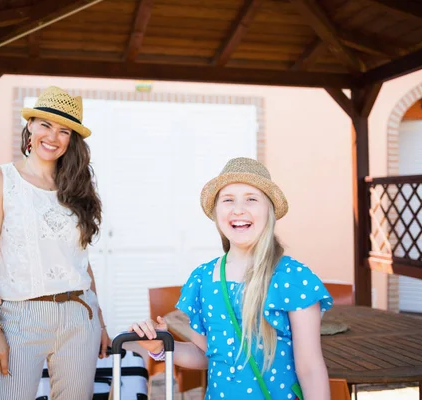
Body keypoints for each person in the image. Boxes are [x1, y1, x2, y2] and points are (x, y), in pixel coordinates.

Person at [130, 157, 332, 399]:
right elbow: (203, 354)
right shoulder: (203, 278)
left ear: (269, 211)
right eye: (228, 200)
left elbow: (310, 368)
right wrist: (161, 347)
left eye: (251, 199)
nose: (238, 209)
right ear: (217, 212)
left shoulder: (293, 278)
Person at [0, 86, 109, 399]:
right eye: (46, 125)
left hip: (79, 316)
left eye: (64, 131)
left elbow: (81, 260)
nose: (53, 137)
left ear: (72, 139)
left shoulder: (76, 188)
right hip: (21, 319)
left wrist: (99, 322)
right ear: (30, 126)